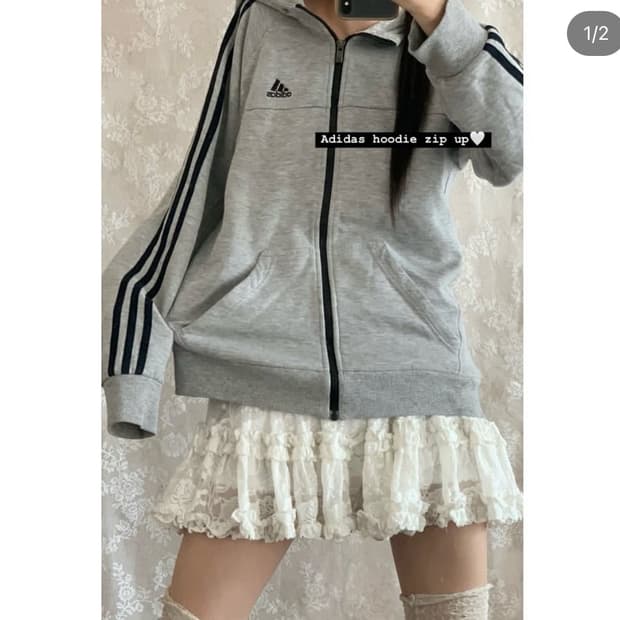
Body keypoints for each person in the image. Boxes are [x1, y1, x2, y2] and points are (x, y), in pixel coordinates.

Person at [101, 0, 524, 618]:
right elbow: (198, 187)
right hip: (265, 381)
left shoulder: (450, 40)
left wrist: (439, 21)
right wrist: (134, 364)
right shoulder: (261, 23)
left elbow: (513, 151)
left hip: (419, 380)